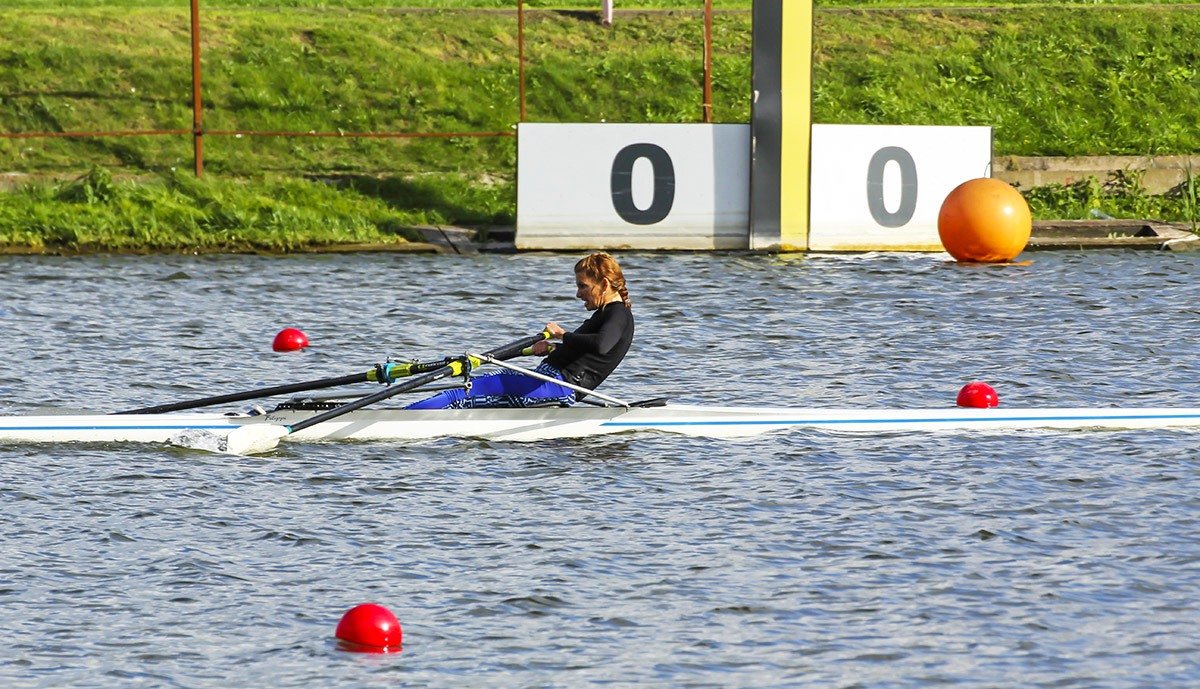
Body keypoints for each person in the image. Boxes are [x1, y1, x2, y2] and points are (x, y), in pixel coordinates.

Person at [405, 252, 634, 409]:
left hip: (554, 386)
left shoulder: (618, 314)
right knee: (466, 402)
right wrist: (554, 348)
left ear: (604, 284)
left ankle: (402, 418)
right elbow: (587, 353)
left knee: (462, 391)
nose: (578, 294)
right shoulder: (607, 315)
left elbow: (602, 345)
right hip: (548, 385)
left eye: (583, 286)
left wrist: (561, 334)